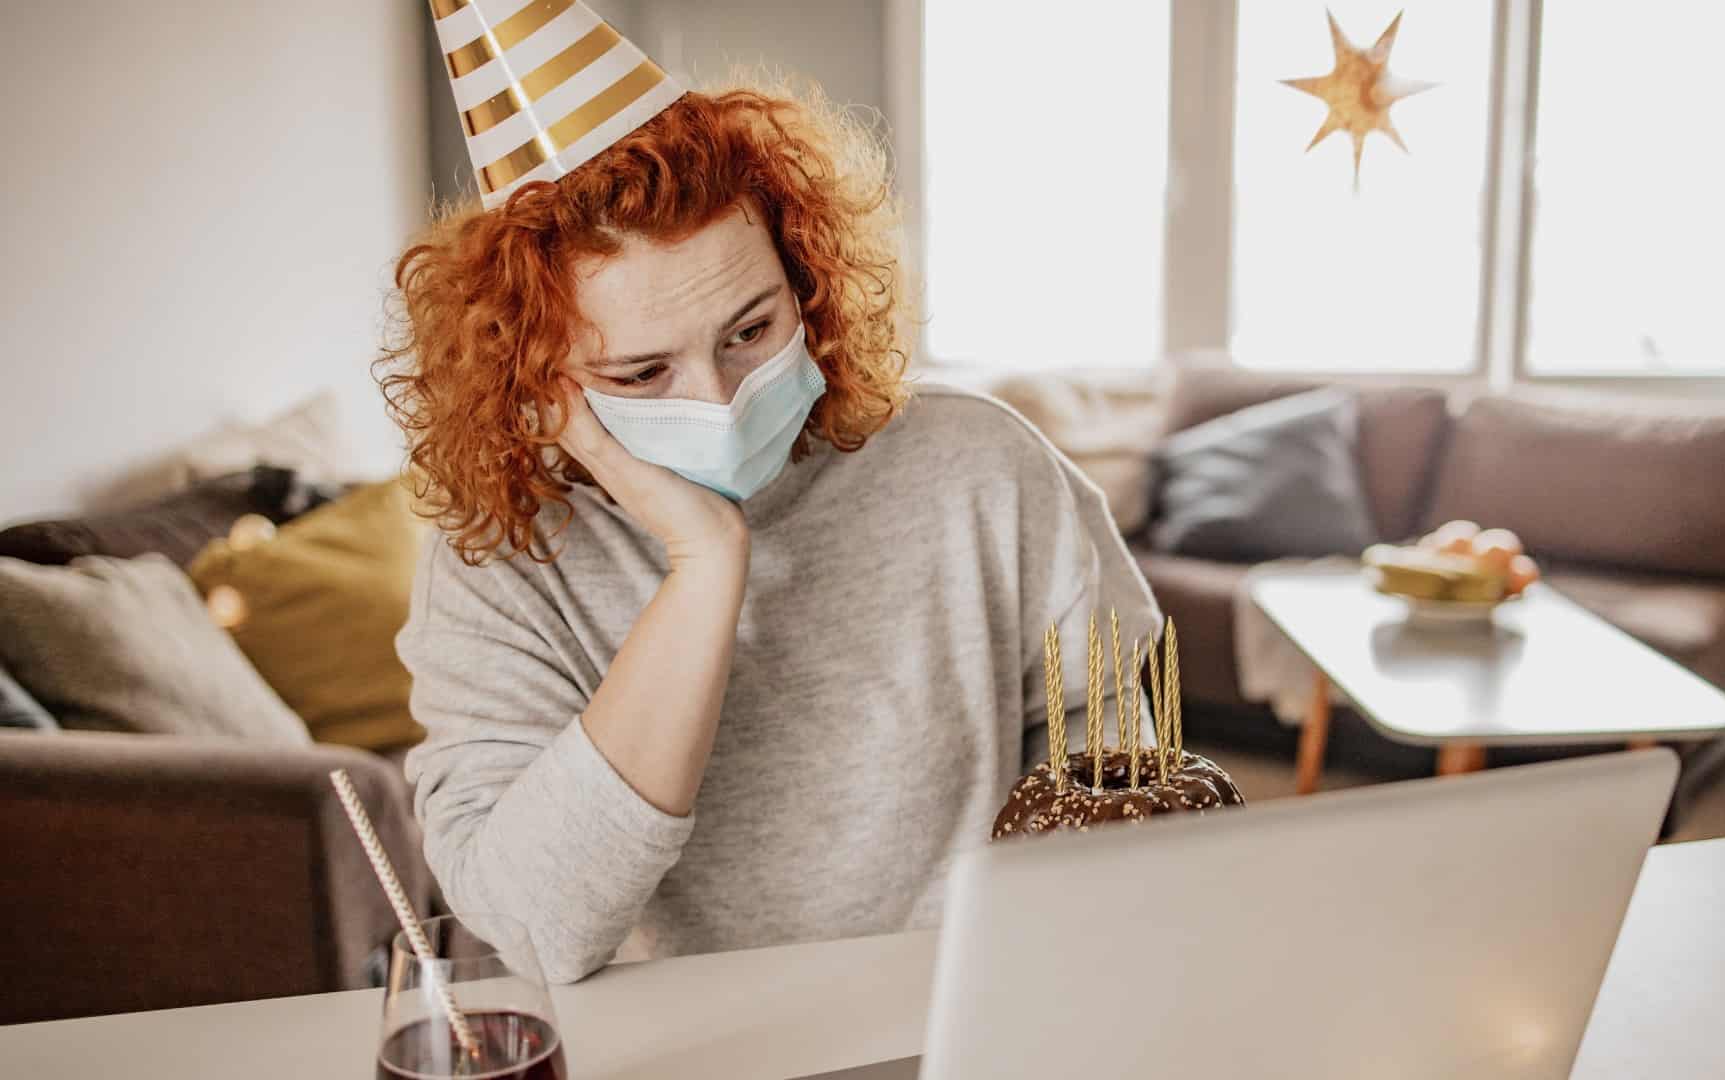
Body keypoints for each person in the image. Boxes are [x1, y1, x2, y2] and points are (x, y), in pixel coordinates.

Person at [383, 5, 1157, 983]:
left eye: (749, 331)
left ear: (806, 281)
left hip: (973, 1015)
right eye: (641, 374)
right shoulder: (498, 566)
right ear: (538, 381)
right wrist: (704, 567)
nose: (720, 399)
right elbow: (540, 930)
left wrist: (1028, 943)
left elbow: (1122, 748)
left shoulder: (984, 466)